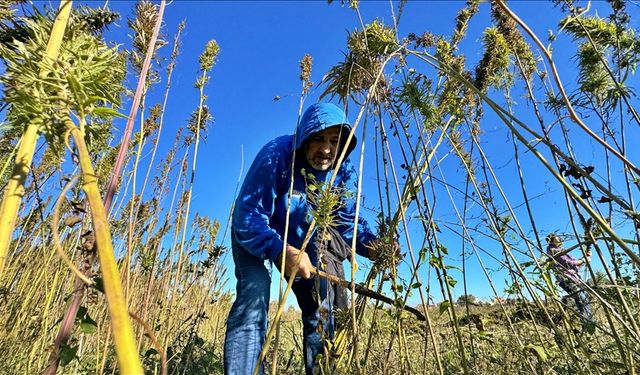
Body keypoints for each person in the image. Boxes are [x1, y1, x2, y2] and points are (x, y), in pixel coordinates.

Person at [224, 102, 387, 375]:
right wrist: (278, 250)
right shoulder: (275, 156)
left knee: (321, 307)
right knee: (255, 294)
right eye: (318, 139)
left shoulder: (343, 171)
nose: (326, 149)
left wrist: (373, 246)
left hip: (305, 240)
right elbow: (247, 215)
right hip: (256, 232)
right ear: (303, 138)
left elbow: (346, 222)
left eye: (335, 141)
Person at [546, 233, 593, 321]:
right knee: (582, 299)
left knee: (583, 299)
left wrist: (585, 257)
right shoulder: (552, 250)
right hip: (566, 279)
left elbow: (574, 264)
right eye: (557, 238)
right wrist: (583, 260)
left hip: (573, 278)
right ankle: (588, 321)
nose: (560, 239)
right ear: (551, 241)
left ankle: (587, 320)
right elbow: (568, 263)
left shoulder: (560, 250)